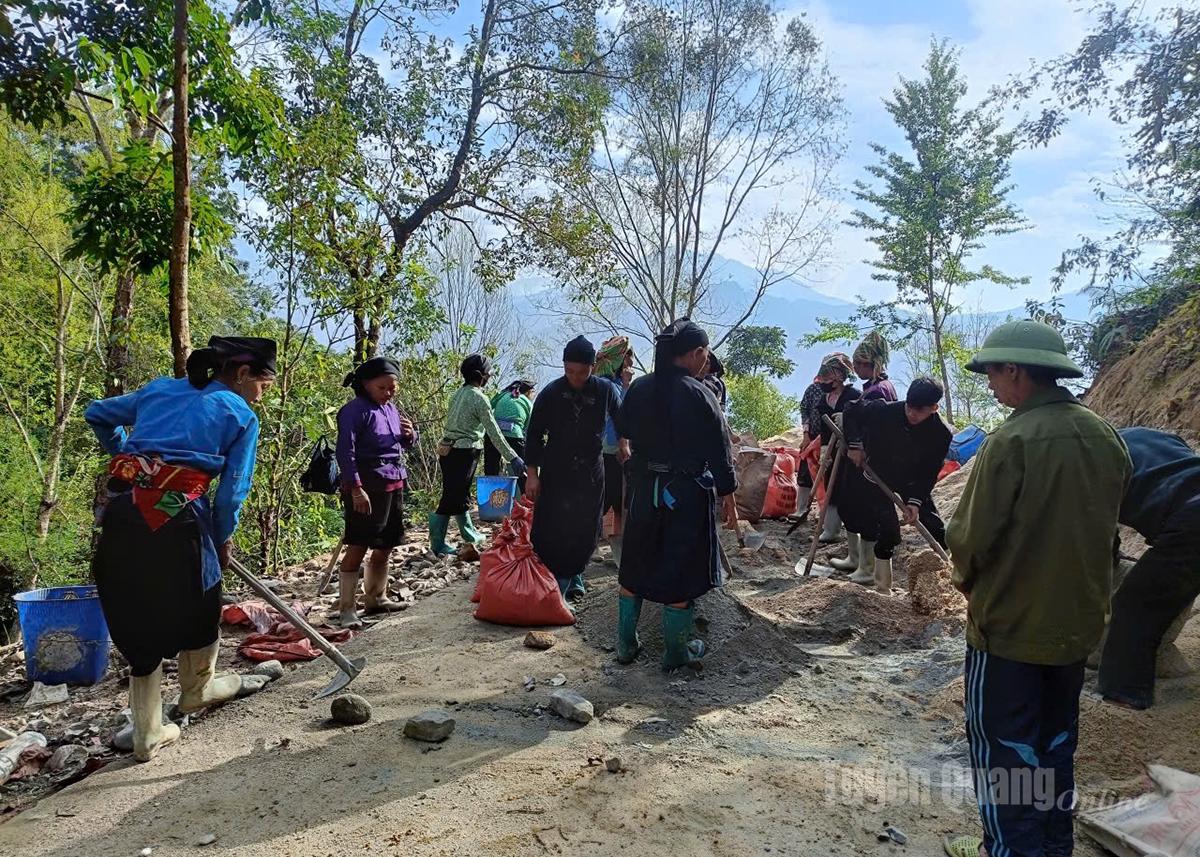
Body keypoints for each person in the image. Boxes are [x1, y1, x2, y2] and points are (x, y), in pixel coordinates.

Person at [942, 320, 1131, 857]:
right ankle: (1052, 847)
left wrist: (969, 584)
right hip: (1074, 629)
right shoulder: (1104, 436)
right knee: (1054, 745)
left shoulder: (1013, 441)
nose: (990, 385)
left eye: (993, 374)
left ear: (1016, 371)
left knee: (1006, 754)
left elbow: (970, 538)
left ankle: (1007, 849)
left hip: (1009, 632)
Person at [85, 336, 276, 762]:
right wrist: (222, 537)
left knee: (134, 606)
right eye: (262, 386)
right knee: (202, 599)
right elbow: (231, 493)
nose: (260, 397)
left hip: (123, 511)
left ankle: (148, 732)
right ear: (243, 375)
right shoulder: (239, 413)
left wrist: (129, 456)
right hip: (181, 517)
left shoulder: (159, 389)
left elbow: (96, 413)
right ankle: (197, 691)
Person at [615, 319, 738, 670]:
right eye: (705, 352)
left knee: (635, 564)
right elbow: (720, 452)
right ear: (697, 353)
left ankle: (625, 645)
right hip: (684, 495)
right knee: (681, 571)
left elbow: (622, 429)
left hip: (642, 491)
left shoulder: (638, 388)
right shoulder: (701, 395)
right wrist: (729, 496)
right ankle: (675, 654)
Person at [1098, 427, 1200, 710]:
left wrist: (1110, 560)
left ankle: (1124, 694)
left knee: (1135, 605)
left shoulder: (1098, 456)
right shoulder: (1151, 435)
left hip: (1192, 521)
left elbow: (1101, 525)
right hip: (1190, 513)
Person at [525, 335, 624, 603]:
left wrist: (625, 445)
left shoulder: (605, 391)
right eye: (570, 371)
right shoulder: (551, 393)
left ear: (593, 367)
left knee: (585, 527)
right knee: (552, 526)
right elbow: (533, 434)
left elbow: (622, 420)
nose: (576, 377)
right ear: (563, 367)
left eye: (582, 372)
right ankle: (555, 582)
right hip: (557, 470)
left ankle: (575, 575)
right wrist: (532, 475)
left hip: (591, 472)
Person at [834, 377, 951, 593]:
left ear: (934, 408)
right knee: (887, 529)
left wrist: (915, 501)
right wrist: (855, 445)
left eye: (919, 410)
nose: (912, 414)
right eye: (910, 407)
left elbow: (928, 472)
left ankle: (947, 577)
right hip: (878, 476)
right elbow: (851, 410)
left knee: (933, 525)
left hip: (911, 480)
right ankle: (882, 588)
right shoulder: (883, 410)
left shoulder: (941, 434)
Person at [334, 357, 419, 629]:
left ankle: (376, 598)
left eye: (393, 387)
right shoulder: (353, 411)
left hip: (393, 481)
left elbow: (401, 445)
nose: (389, 392)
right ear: (366, 385)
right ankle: (347, 608)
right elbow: (345, 452)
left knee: (386, 543)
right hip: (366, 485)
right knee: (358, 544)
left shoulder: (391, 409)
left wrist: (410, 435)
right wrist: (356, 488)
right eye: (383, 387)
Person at [433, 355, 526, 557]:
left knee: (458, 492)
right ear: (480, 376)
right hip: (465, 452)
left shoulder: (458, 394)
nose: (489, 378)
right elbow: (494, 432)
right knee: (451, 497)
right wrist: (512, 457)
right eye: (488, 375)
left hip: (447, 450)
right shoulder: (479, 398)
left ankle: (469, 535)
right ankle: (437, 543)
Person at [594, 336, 635, 565]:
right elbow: (622, 414)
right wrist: (624, 444)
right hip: (610, 447)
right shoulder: (610, 385)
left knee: (615, 496)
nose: (630, 364)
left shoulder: (605, 382)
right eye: (627, 359)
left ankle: (614, 541)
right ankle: (596, 543)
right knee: (609, 495)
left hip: (608, 446)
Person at [815, 352, 861, 543]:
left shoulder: (853, 396)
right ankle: (830, 528)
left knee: (848, 489)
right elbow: (824, 430)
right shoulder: (822, 402)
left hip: (851, 451)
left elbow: (862, 425)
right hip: (832, 450)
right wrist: (825, 449)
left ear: (838, 378)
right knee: (831, 487)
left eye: (828, 378)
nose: (824, 381)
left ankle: (853, 530)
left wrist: (848, 424)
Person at [484, 379, 536, 488]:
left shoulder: (503, 395)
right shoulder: (527, 402)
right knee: (522, 470)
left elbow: (489, 405)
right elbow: (529, 427)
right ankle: (526, 498)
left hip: (493, 434)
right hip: (515, 435)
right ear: (529, 392)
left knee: (491, 470)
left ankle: (491, 497)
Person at [853, 330, 898, 402]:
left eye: (856, 362)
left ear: (865, 363)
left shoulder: (875, 392)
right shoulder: (885, 385)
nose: (854, 367)